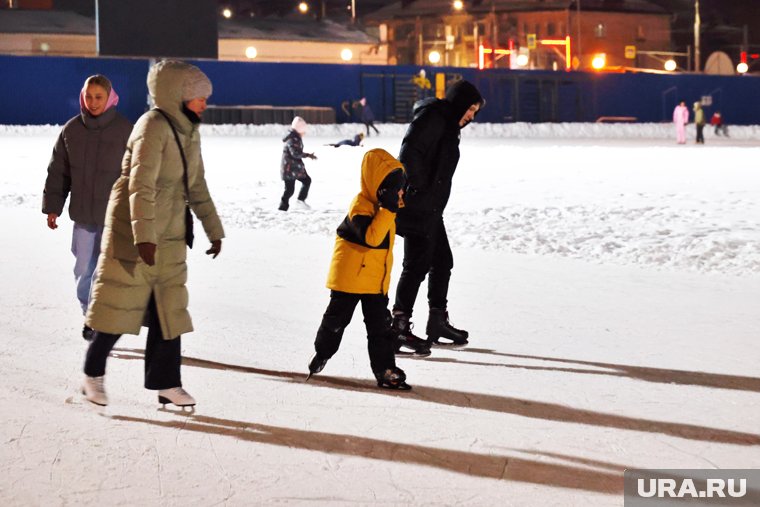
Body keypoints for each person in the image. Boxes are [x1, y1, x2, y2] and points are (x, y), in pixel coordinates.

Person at [81, 60, 225, 407]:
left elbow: (196, 185)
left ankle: (166, 383)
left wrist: (213, 228)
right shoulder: (153, 126)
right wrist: (143, 236)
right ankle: (92, 374)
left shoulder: (189, 131)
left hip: (171, 230)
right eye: (199, 97)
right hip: (135, 229)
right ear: (178, 96)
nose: (204, 104)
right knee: (120, 307)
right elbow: (140, 185)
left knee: (168, 311)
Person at [391, 79, 484, 357]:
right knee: (416, 265)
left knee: (442, 261)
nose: (471, 116)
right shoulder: (433, 118)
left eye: (474, 112)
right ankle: (398, 325)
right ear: (458, 103)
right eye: (470, 109)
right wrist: (419, 188)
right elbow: (409, 153)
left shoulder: (448, 125)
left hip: (430, 207)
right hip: (417, 206)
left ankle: (437, 321)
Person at [307, 148, 411, 390]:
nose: (400, 193)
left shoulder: (389, 208)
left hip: (375, 282)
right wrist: (388, 209)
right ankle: (322, 353)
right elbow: (372, 238)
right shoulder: (361, 206)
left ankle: (385, 369)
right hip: (350, 280)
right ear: (380, 187)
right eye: (396, 188)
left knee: (380, 329)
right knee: (336, 321)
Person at [42, 75, 133, 341]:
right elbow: (58, 172)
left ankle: (104, 320)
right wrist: (53, 207)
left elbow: (136, 175)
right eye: (89, 96)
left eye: (99, 97)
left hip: (114, 217)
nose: (93, 102)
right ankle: (89, 316)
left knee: (108, 272)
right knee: (84, 268)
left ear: (110, 98)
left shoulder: (124, 130)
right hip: (83, 217)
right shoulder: (71, 130)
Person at [279, 116, 316, 211]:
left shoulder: (295, 137)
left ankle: (300, 201)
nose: (305, 133)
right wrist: (307, 155)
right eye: (303, 130)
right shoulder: (292, 139)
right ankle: (282, 208)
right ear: (299, 130)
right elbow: (295, 153)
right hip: (289, 169)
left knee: (307, 180)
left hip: (295, 168)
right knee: (289, 190)